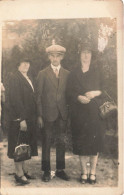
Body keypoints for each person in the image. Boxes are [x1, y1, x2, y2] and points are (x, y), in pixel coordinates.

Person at [66, 42, 105, 184]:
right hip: (79, 113)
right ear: (80, 55)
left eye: (88, 53)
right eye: (83, 53)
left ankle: (93, 173)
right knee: (81, 143)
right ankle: (84, 172)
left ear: (92, 55)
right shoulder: (73, 72)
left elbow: (105, 90)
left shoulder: (97, 71)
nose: (86, 55)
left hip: (94, 113)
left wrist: (95, 93)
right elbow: (68, 93)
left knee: (94, 143)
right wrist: (78, 97)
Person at [37, 40, 70, 182]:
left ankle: (60, 169)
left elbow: (69, 95)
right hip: (47, 114)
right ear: (49, 57)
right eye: (52, 56)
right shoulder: (43, 74)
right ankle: (46, 171)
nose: (55, 59)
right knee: (46, 141)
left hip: (62, 114)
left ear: (62, 57)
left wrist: (68, 114)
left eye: (58, 56)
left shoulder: (67, 74)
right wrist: (39, 115)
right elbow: (37, 96)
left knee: (61, 141)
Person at [7, 58, 38, 185]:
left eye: (28, 63)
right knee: (18, 145)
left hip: (29, 117)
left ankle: (23, 170)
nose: (26, 65)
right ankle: (18, 173)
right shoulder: (15, 78)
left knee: (24, 144)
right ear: (18, 65)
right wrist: (22, 119)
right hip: (19, 118)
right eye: (23, 63)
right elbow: (16, 100)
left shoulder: (28, 77)